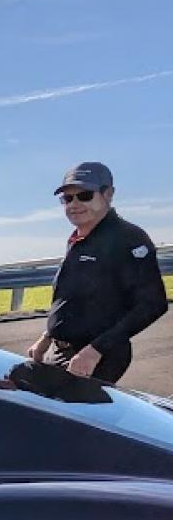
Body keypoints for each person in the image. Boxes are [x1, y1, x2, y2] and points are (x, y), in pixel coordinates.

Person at [28, 162, 165, 383]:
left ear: (108, 194)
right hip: (61, 351)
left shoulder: (129, 239)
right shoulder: (78, 238)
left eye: (84, 195)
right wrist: (46, 338)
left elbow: (153, 304)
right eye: (67, 198)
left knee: (72, 417)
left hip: (96, 356)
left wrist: (95, 351)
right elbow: (73, 300)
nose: (74, 204)